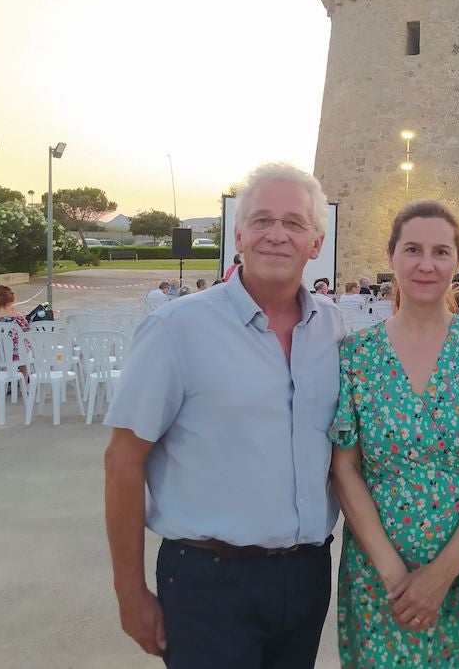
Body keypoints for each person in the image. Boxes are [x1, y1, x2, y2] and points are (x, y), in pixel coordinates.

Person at [104, 162, 345, 668]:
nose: (276, 235)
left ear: (316, 243)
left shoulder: (334, 331)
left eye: (294, 223)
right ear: (239, 234)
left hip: (305, 577)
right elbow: (124, 461)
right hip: (207, 581)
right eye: (261, 220)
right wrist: (130, 593)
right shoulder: (177, 329)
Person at [329, 200, 459, 667]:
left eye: (441, 251)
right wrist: (396, 577)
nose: (426, 264)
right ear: (392, 257)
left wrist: (440, 575)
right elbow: (345, 468)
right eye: (413, 249)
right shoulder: (356, 356)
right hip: (380, 577)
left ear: (457, 262)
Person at [0, 285, 31, 378]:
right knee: (25, 356)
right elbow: (27, 332)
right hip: (16, 354)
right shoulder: (18, 317)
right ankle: (24, 386)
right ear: (11, 301)